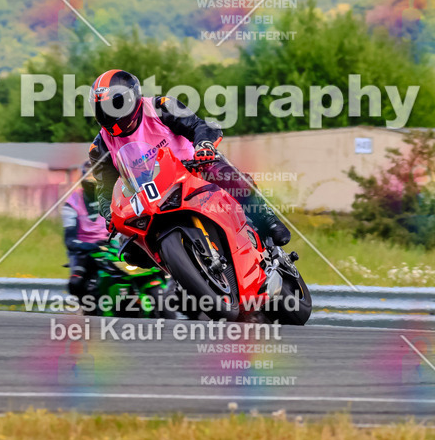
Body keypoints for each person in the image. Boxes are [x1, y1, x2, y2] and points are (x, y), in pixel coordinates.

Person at [86, 69, 291, 246]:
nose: (110, 115)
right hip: (151, 197)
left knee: (218, 170)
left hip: (193, 169)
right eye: (102, 109)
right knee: (129, 249)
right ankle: (173, 275)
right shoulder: (100, 148)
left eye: (116, 105)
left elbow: (198, 126)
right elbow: (105, 189)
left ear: (132, 98)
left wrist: (203, 145)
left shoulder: (162, 106)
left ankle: (266, 217)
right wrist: (108, 214)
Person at [61, 162, 109, 298]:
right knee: (76, 283)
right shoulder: (71, 203)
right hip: (84, 251)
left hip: (111, 248)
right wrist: (92, 246)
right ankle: (89, 309)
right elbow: (69, 240)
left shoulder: (112, 197)